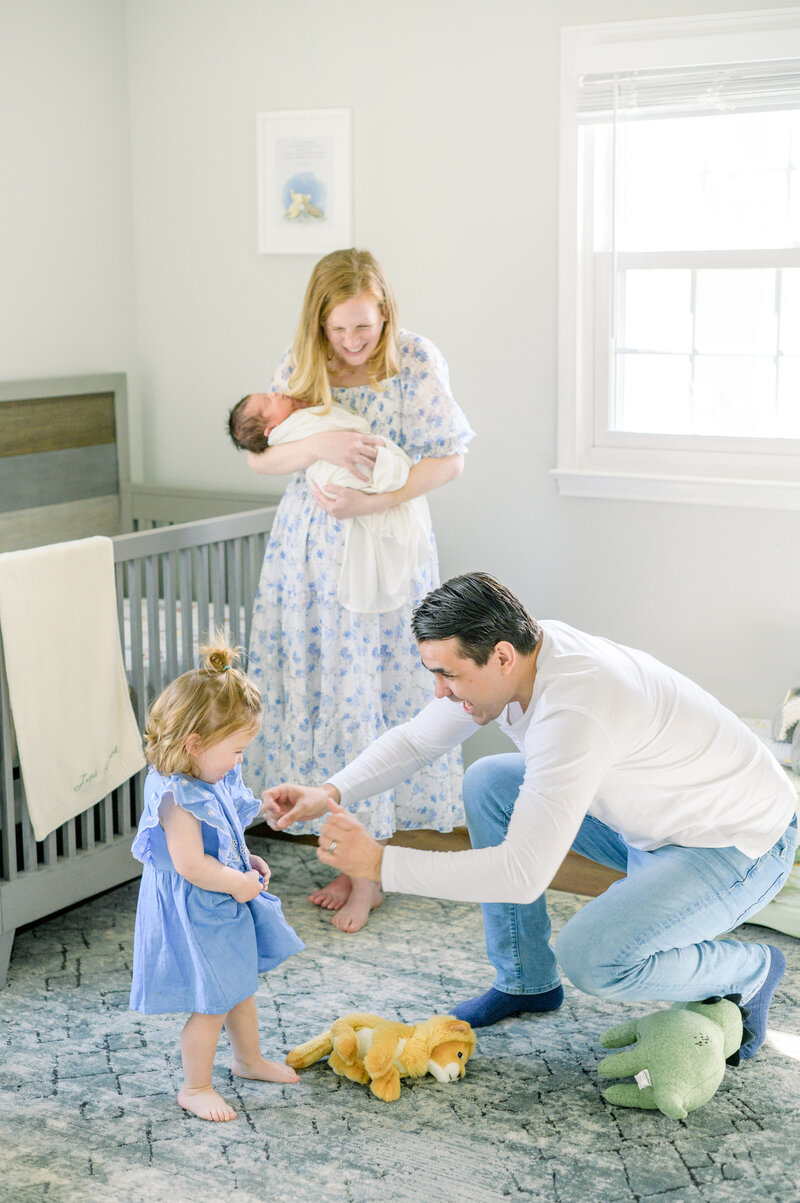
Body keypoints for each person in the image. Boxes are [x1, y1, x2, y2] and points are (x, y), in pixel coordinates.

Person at [262, 572, 797, 1062]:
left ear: (500, 657)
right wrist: (328, 790)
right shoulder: (526, 652)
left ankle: (751, 969)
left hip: (735, 842)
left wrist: (382, 864)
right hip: (653, 821)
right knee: (491, 780)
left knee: (594, 958)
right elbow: (416, 740)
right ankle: (526, 981)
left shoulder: (575, 708)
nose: (439, 691)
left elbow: (522, 875)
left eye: (448, 676)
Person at [242, 248, 474, 934]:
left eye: (363, 328)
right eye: (339, 329)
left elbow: (451, 457)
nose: (351, 341)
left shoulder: (416, 360)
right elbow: (262, 455)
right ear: (320, 320)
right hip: (308, 555)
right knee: (321, 691)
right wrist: (325, 447)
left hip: (385, 542)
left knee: (371, 693)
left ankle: (369, 870)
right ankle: (344, 857)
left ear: (385, 313)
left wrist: (377, 501)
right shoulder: (302, 361)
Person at [129, 637, 304, 1123]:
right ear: (194, 744)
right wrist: (234, 882)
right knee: (212, 1000)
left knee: (239, 982)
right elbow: (191, 865)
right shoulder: (176, 796)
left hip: (220, 896)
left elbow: (222, 835)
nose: (240, 761)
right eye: (236, 750)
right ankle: (195, 1086)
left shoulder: (208, 775)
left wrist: (246, 858)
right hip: (196, 905)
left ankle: (248, 1059)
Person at [229, 391, 432, 613]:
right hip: (324, 517)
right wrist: (317, 444)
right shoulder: (292, 425)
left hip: (377, 501)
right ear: (271, 430)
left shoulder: (296, 403)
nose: (274, 393)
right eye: (268, 401)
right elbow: (257, 461)